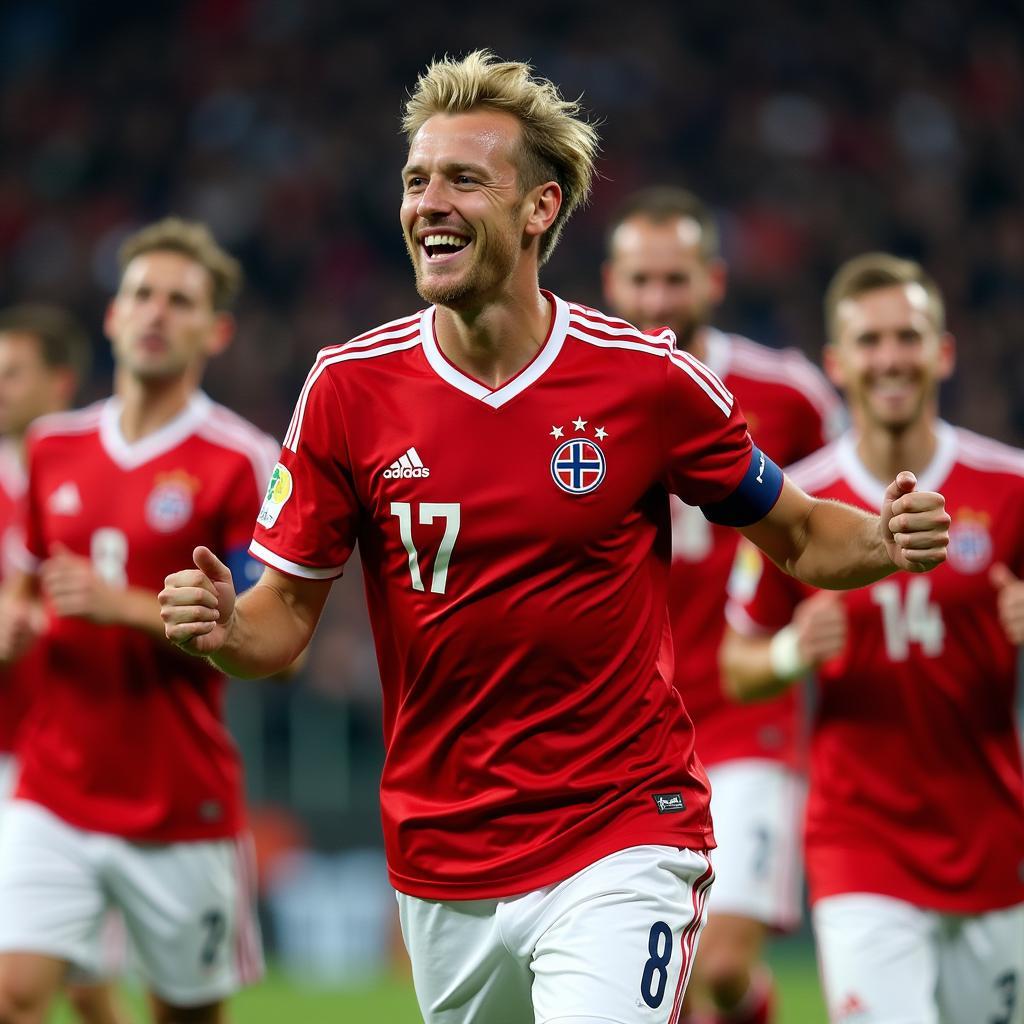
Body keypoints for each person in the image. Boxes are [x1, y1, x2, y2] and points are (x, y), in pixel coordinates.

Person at [159, 52, 949, 1024]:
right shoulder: (345, 390)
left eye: (462, 180)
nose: (428, 203)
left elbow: (795, 533)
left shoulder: (644, 380)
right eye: (416, 180)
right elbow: (279, 626)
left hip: (623, 825)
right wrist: (221, 626)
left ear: (538, 208)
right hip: (442, 843)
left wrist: (886, 537)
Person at [720, 253, 1024, 1024]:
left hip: (993, 841)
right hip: (861, 844)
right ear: (838, 363)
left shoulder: (1010, 487)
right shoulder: (797, 505)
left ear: (943, 351)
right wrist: (793, 652)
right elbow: (736, 666)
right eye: (870, 340)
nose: (890, 357)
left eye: (907, 336)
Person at [0, 219, 273, 1024]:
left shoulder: (240, 459)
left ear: (214, 330)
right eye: (141, 295)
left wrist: (122, 606)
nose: (156, 313)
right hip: (54, 787)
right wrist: (12, 622)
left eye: (180, 301)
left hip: (179, 802)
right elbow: (28, 587)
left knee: (184, 1014)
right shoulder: (52, 445)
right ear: (113, 316)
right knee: (12, 996)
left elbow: (272, 641)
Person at [603, 188, 844, 1024]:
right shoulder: (579, 397)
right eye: (640, 281)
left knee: (721, 965)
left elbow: (834, 510)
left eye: (675, 279)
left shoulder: (789, 394)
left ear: (714, 280)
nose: (657, 300)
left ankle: (748, 1000)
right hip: (626, 723)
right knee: (655, 972)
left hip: (748, 713)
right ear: (611, 282)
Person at [0, 307, 134, 1024]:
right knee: (24, 989)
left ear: (60, 381)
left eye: (12, 374)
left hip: (75, 760)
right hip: (13, 757)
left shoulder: (101, 471)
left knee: (84, 989)